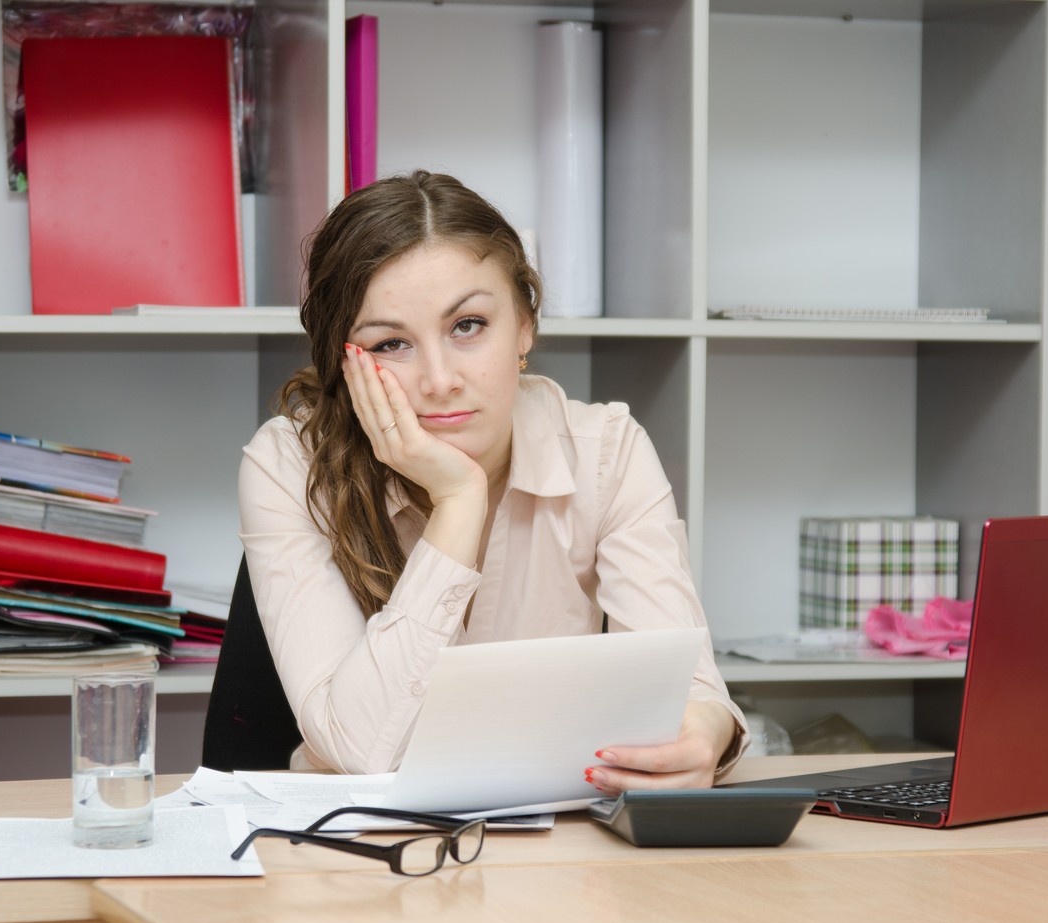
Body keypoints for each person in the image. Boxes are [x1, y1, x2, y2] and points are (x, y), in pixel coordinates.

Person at [238, 170, 748, 791]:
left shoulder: (605, 453)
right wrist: (458, 502)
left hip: (565, 841)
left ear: (525, 326)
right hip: (361, 851)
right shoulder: (290, 466)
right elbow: (357, 750)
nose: (439, 379)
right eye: (392, 343)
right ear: (345, 362)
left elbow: (692, 687)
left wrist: (702, 734)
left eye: (468, 326)